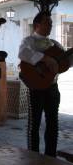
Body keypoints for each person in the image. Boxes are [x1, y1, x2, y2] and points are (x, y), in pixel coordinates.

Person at [19, 11, 73, 157]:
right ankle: (33, 156)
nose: (50, 25)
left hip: (52, 87)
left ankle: (51, 156)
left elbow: (66, 63)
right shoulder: (28, 41)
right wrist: (44, 58)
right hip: (36, 87)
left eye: (51, 23)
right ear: (37, 25)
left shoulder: (55, 44)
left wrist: (59, 63)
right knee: (34, 124)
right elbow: (23, 53)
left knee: (53, 123)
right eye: (47, 22)